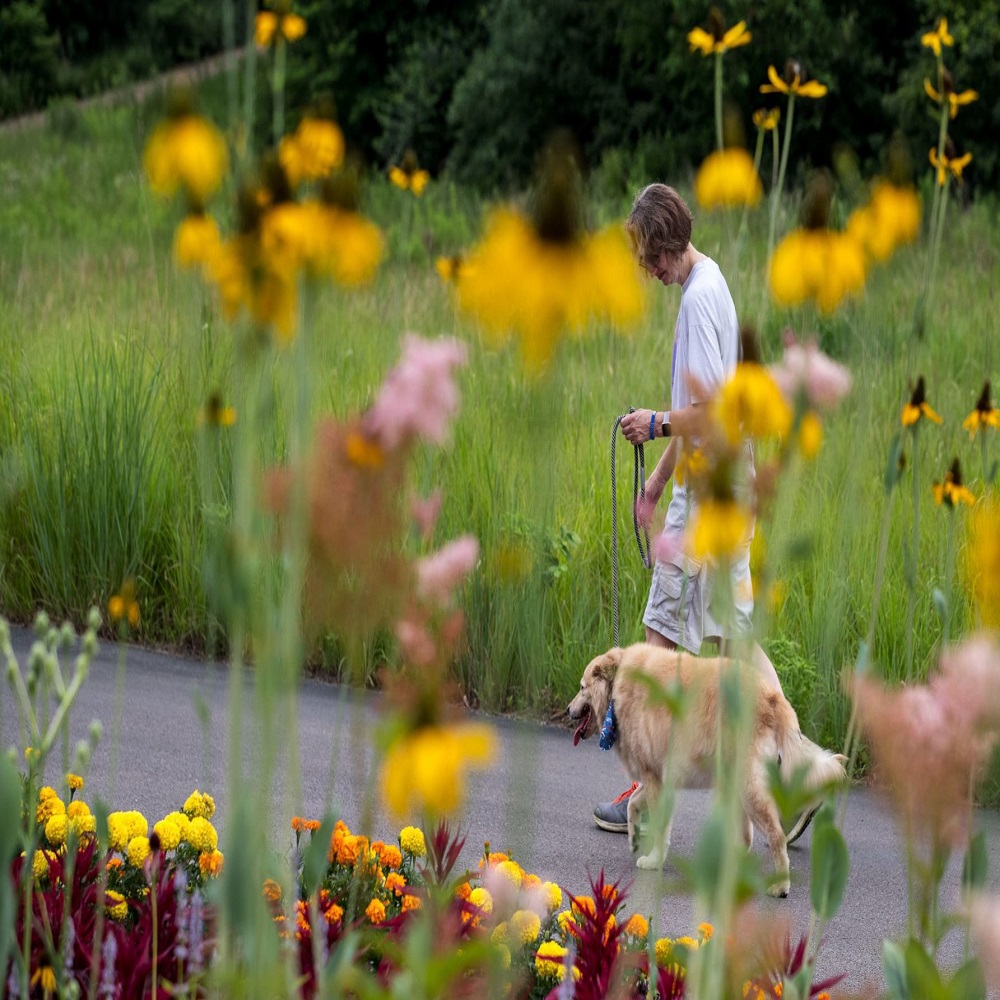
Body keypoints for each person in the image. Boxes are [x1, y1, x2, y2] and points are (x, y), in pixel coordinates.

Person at [592, 183, 817, 845]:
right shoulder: (710, 282)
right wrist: (658, 481)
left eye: (651, 259)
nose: (650, 272)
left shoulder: (697, 300)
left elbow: (707, 415)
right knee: (724, 635)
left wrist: (655, 423)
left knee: (670, 633)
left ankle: (646, 786)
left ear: (667, 244)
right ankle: (795, 773)